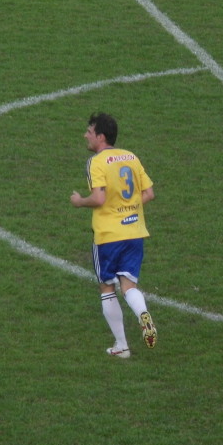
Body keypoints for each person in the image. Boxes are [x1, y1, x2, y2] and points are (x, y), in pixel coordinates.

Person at [70, 112, 157, 358]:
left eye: (89, 131)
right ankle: (142, 313)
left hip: (109, 235)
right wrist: (126, 209)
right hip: (135, 232)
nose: (85, 135)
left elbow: (98, 198)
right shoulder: (131, 157)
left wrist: (78, 202)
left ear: (101, 136)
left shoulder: (96, 162)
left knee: (107, 287)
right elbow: (149, 194)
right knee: (128, 285)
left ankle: (122, 346)